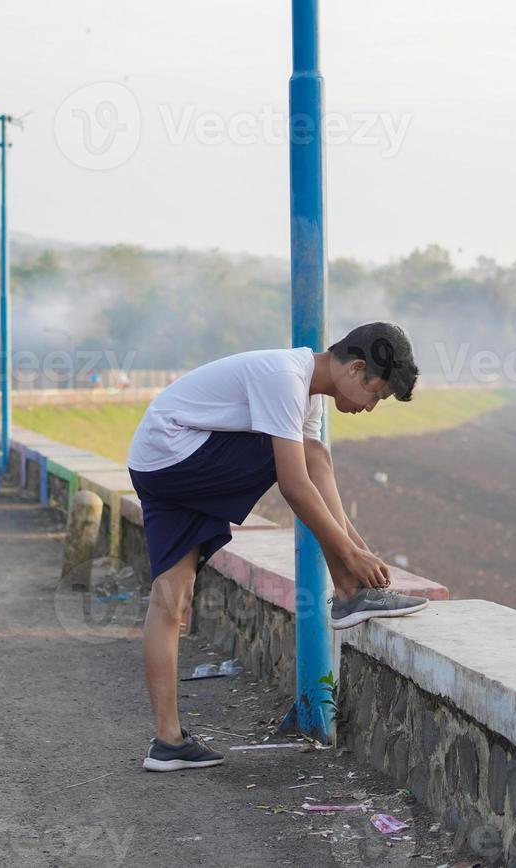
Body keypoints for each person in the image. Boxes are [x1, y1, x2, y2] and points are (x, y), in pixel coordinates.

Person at [127, 321, 428, 772]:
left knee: (171, 597)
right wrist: (351, 556)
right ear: (357, 369)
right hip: (175, 453)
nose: (370, 408)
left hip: (156, 461)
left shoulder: (307, 397)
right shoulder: (285, 379)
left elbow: (317, 489)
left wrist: (361, 551)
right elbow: (296, 486)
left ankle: (167, 741)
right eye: (376, 394)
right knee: (310, 456)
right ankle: (348, 592)